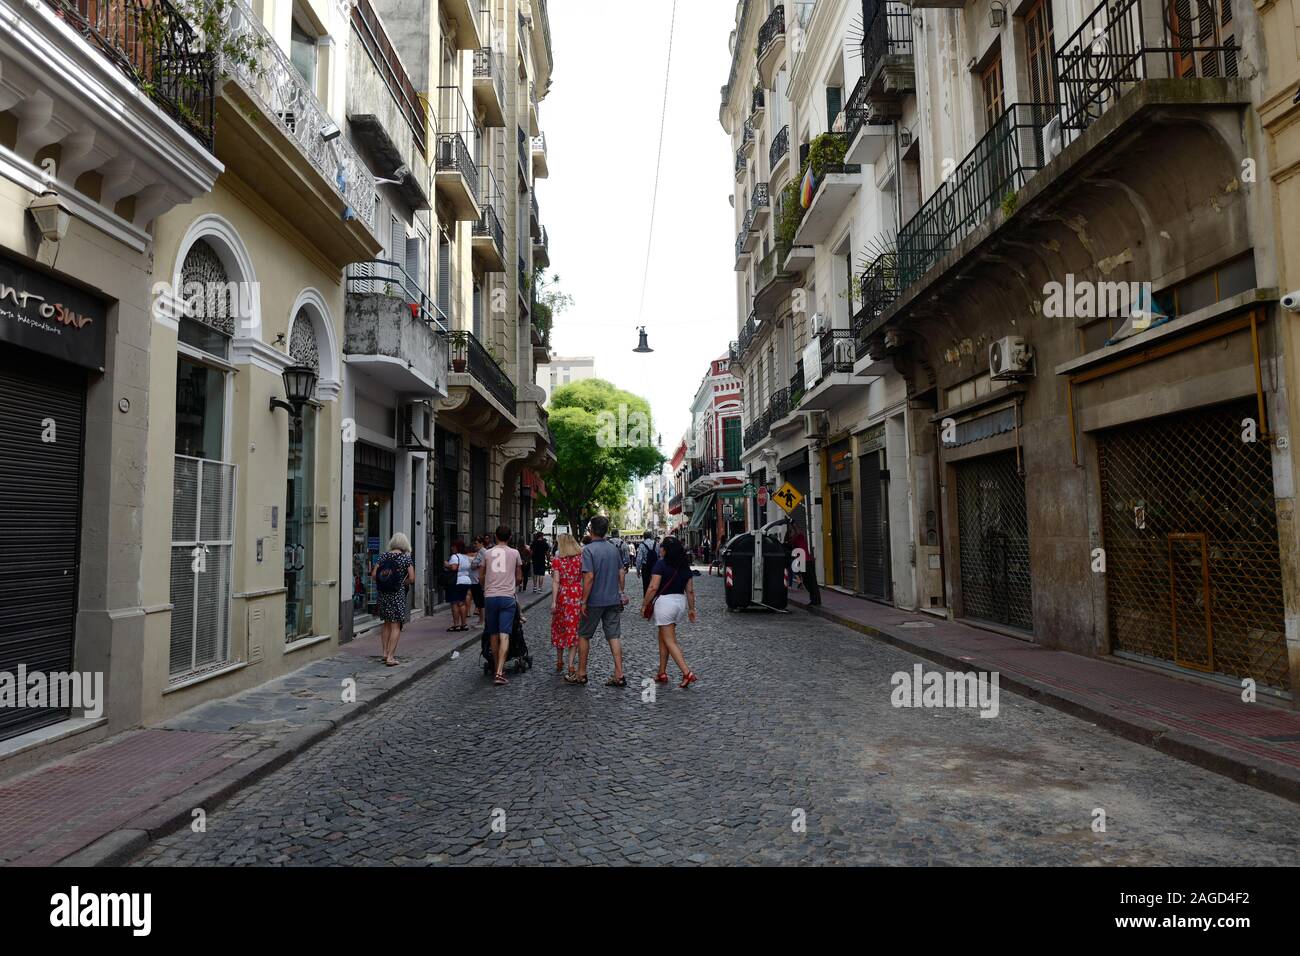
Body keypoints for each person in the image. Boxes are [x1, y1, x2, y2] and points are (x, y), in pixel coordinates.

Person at [565, 515, 628, 687]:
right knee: (614, 636)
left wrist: (583, 601)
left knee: (583, 635)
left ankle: (581, 673)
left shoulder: (588, 550)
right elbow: (621, 573)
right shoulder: (613, 549)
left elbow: (589, 576)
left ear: (591, 530)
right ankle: (619, 674)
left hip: (593, 601)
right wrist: (620, 591)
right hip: (612, 599)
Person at [641, 535, 697, 688]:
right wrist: (692, 609)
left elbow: (653, 587)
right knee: (663, 638)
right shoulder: (685, 566)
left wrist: (644, 604)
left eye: (662, 547)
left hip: (665, 604)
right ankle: (662, 672)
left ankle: (687, 672)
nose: (660, 549)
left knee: (670, 641)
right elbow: (690, 591)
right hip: (680, 603)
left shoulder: (660, 565)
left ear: (665, 550)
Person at [482, 525, 523, 685]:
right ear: (510, 537)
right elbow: (519, 577)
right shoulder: (515, 553)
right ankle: (500, 671)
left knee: (493, 633)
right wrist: (512, 582)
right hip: (507, 597)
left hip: (490, 597)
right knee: (504, 633)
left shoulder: (487, 553)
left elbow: (481, 576)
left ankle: (495, 665)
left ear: (495, 536)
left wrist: (488, 586)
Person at [372, 533, 416, 666]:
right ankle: (391, 657)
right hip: (397, 594)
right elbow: (412, 578)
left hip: (384, 594)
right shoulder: (405, 558)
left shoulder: (383, 556)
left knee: (386, 623)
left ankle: (385, 653)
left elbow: (374, 575)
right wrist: (403, 583)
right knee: (395, 625)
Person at [549, 533, 583, 676]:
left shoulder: (558, 560)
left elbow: (556, 581)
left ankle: (559, 660)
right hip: (576, 594)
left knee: (560, 627)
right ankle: (570, 664)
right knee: (573, 628)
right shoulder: (581, 559)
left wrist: (553, 601)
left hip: (563, 595)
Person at [443, 539, 474, 632]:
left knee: (454, 603)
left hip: (457, 581)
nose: (452, 547)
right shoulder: (466, 557)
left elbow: (454, 567)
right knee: (462, 602)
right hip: (466, 581)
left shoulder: (455, 556)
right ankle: (464, 624)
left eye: (453, 546)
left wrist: (446, 565)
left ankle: (456, 624)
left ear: (456, 547)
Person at [789, 520, 821, 605]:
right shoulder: (794, 538)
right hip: (802, 561)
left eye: (792, 530)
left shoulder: (799, 536)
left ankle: (816, 600)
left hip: (807, 561)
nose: (791, 532)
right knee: (806, 581)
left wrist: (793, 524)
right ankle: (813, 599)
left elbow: (798, 531)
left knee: (811, 581)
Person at [465, 538, 486, 626]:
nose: (475, 545)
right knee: (478, 602)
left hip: (477, 580)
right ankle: (481, 620)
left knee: (480, 602)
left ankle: (482, 621)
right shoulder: (480, 552)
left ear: (481, 543)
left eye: (476, 543)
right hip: (475, 580)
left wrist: (474, 565)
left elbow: (482, 564)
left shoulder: (483, 552)